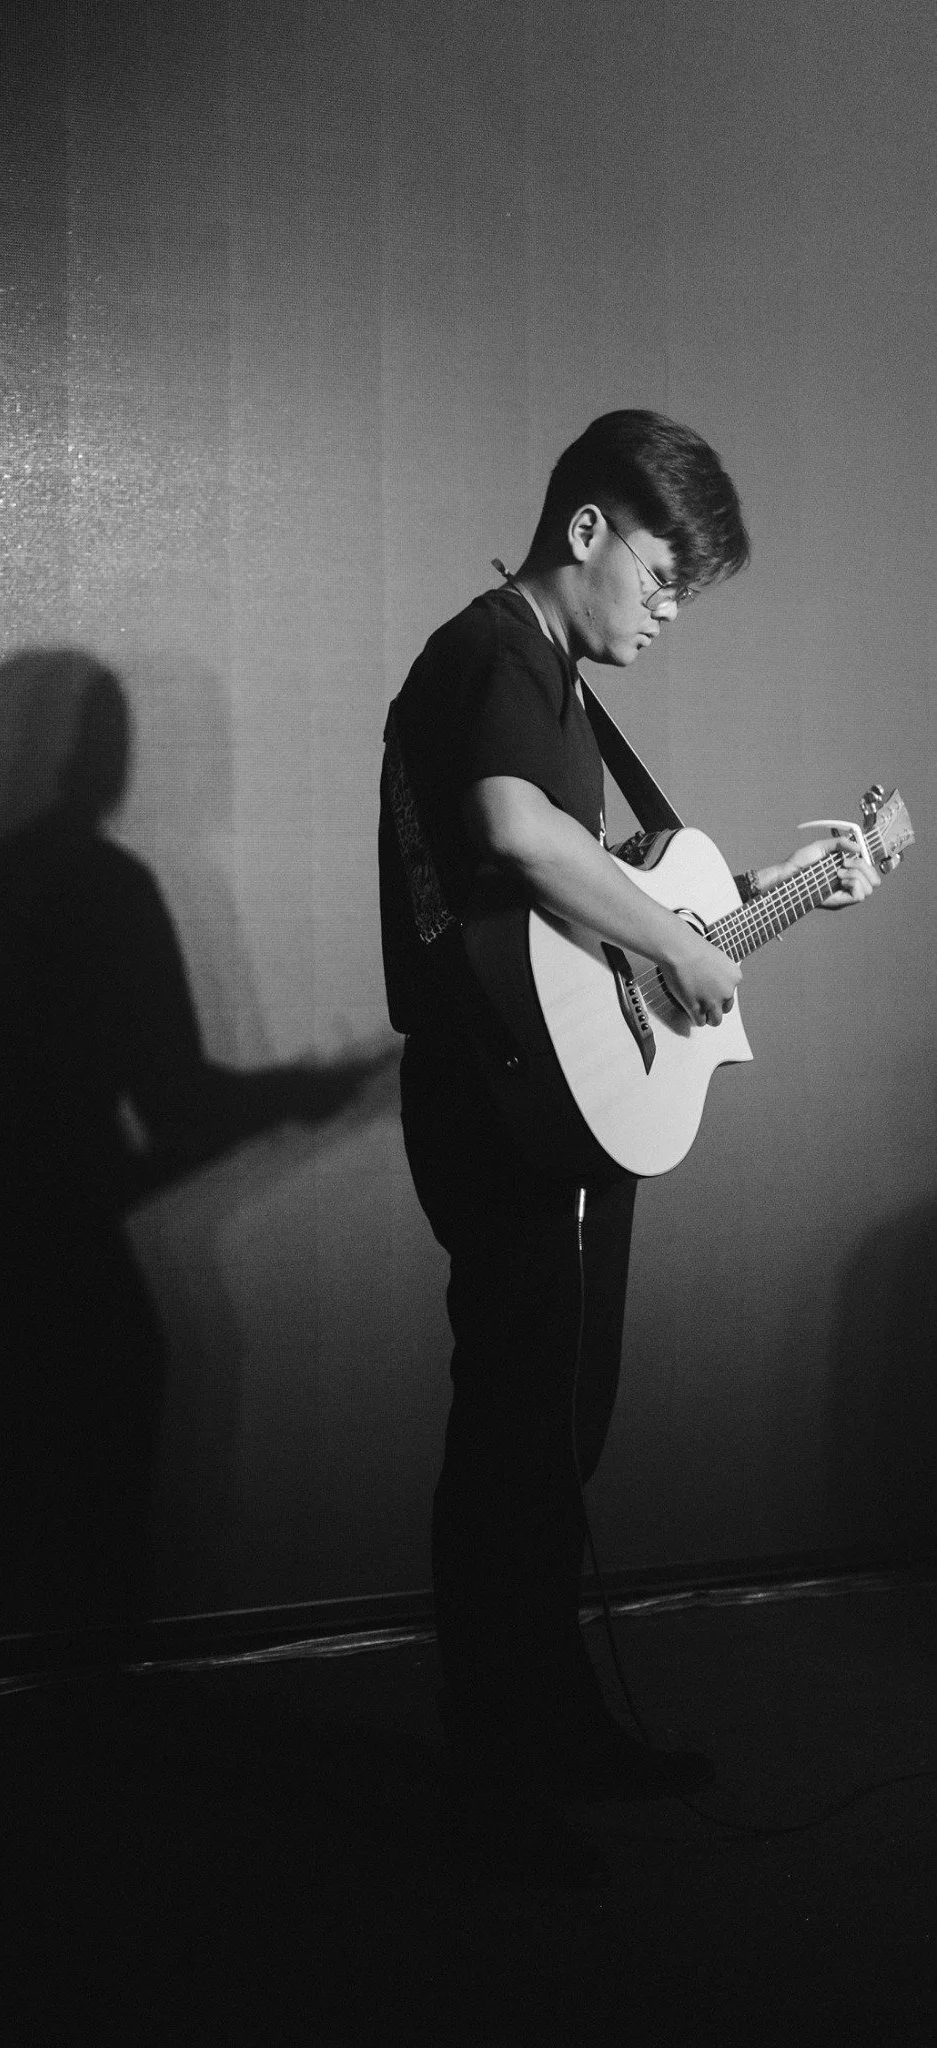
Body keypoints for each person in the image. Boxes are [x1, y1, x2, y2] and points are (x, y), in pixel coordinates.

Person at [378, 410, 879, 1885]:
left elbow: (614, 913)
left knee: (559, 1437)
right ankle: (493, 1773)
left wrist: (774, 898)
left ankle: (561, 1725)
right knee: (513, 1441)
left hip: (557, 1100)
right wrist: (680, 941)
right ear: (585, 529)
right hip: (498, 1104)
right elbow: (520, 837)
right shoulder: (494, 649)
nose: (669, 611)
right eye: (662, 575)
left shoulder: (558, 685)